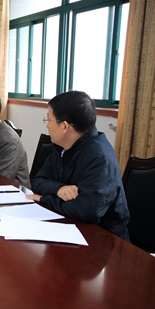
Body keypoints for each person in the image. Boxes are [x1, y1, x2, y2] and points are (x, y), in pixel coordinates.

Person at [28, 91, 130, 240]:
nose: (47, 126)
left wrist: (44, 199)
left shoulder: (99, 158)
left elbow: (86, 211)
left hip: (103, 240)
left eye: (48, 120)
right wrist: (58, 189)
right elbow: (37, 181)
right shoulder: (63, 148)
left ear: (64, 126)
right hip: (66, 227)